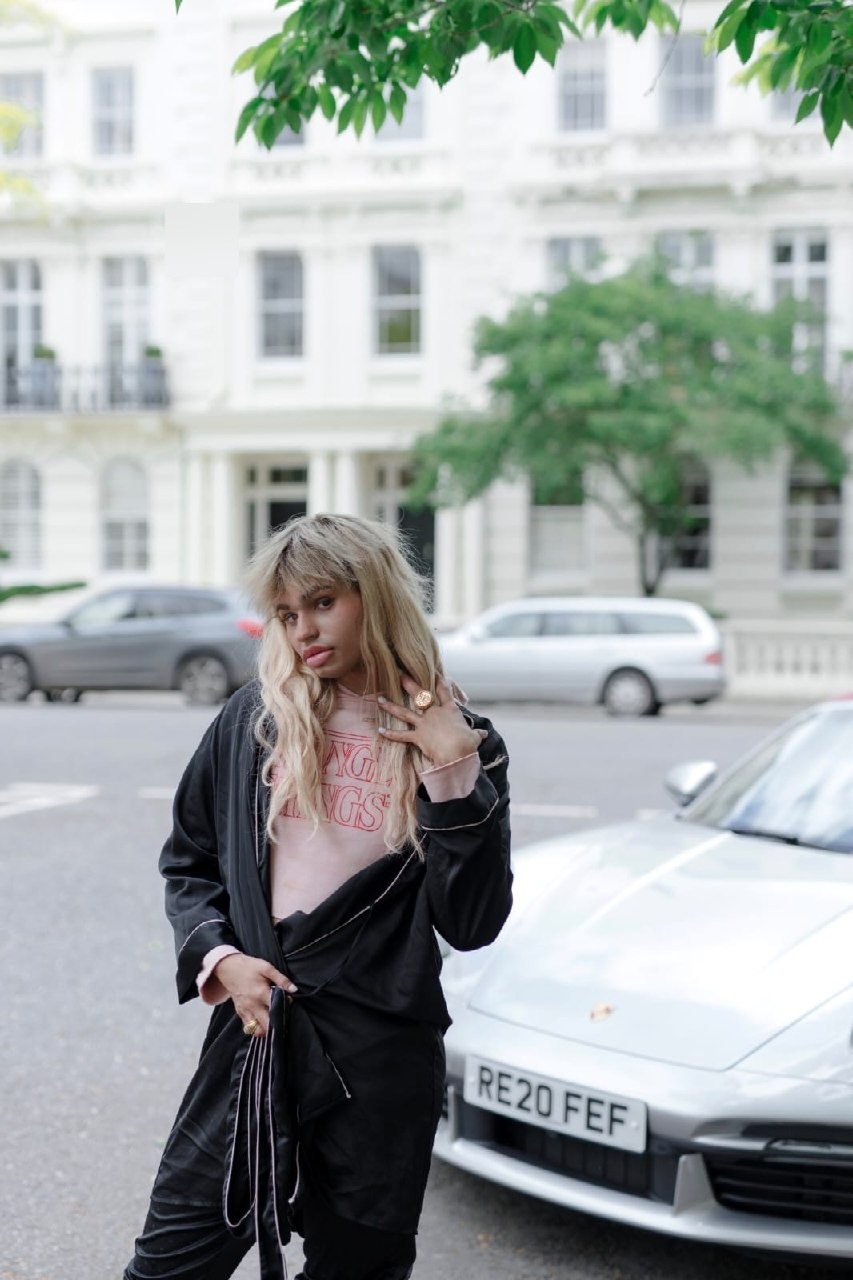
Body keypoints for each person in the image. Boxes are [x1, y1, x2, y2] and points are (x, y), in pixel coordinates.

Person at [123, 513, 512, 1280]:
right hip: (257, 1035)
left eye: (323, 603)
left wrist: (451, 773)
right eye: (287, 613)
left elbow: (471, 923)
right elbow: (189, 861)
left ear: (377, 596)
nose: (303, 630)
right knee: (171, 1261)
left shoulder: (466, 740)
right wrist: (222, 958)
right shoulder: (255, 722)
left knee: (357, 1268)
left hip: (380, 1055)